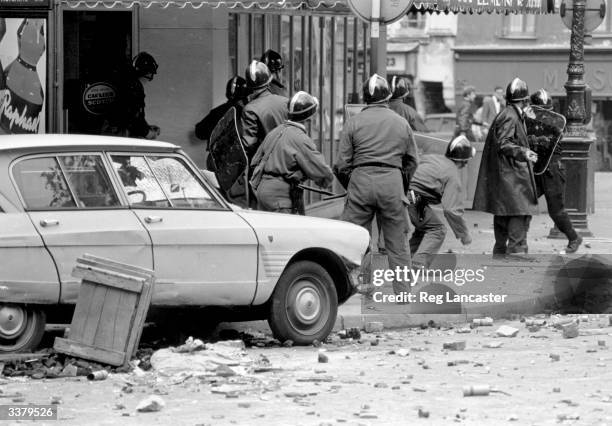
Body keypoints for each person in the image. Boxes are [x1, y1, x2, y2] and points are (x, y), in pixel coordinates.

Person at [334, 74, 418, 295]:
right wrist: (402, 184)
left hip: (361, 182)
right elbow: (412, 161)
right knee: (397, 244)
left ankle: (357, 290)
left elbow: (341, 165)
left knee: (353, 241)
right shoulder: (401, 123)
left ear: (365, 98)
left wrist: (351, 185)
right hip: (391, 183)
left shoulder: (353, 123)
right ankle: (403, 293)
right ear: (388, 97)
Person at [473, 77, 539, 256]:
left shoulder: (508, 113)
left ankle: (501, 257)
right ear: (524, 101)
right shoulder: (511, 116)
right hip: (513, 180)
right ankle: (515, 257)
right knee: (518, 216)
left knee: (504, 218)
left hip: (506, 180)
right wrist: (524, 152)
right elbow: (504, 143)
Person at [250, 91, 333, 214]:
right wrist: (327, 181)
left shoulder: (275, 132)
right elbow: (321, 171)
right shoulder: (300, 138)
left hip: (263, 191)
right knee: (284, 232)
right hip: (280, 195)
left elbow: (255, 161)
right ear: (309, 118)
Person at [527, 89, 582, 253]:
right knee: (523, 202)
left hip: (552, 171)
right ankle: (519, 242)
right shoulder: (531, 121)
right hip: (538, 169)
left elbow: (545, 142)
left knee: (556, 211)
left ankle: (574, 238)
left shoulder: (555, 124)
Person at [408, 135, 474, 268]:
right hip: (414, 199)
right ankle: (418, 264)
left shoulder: (431, 158)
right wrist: (464, 235)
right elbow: (451, 210)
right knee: (437, 230)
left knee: (424, 228)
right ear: (464, 161)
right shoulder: (452, 175)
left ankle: (406, 261)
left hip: (399, 192)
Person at [194, 76, 249, 170]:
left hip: (215, 160)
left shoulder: (217, 112)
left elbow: (199, 132)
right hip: (238, 161)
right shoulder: (248, 113)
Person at [102, 52, 160, 139]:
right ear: (147, 73)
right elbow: (133, 118)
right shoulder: (134, 89)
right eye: (150, 74)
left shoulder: (126, 84)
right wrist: (148, 133)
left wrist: (146, 128)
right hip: (120, 133)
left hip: (113, 131)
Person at [241, 60, 289, 158]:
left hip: (266, 166)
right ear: (268, 81)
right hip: (288, 160)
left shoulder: (250, 109)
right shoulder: (286, 102)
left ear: (249, 86)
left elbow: (249, 145)